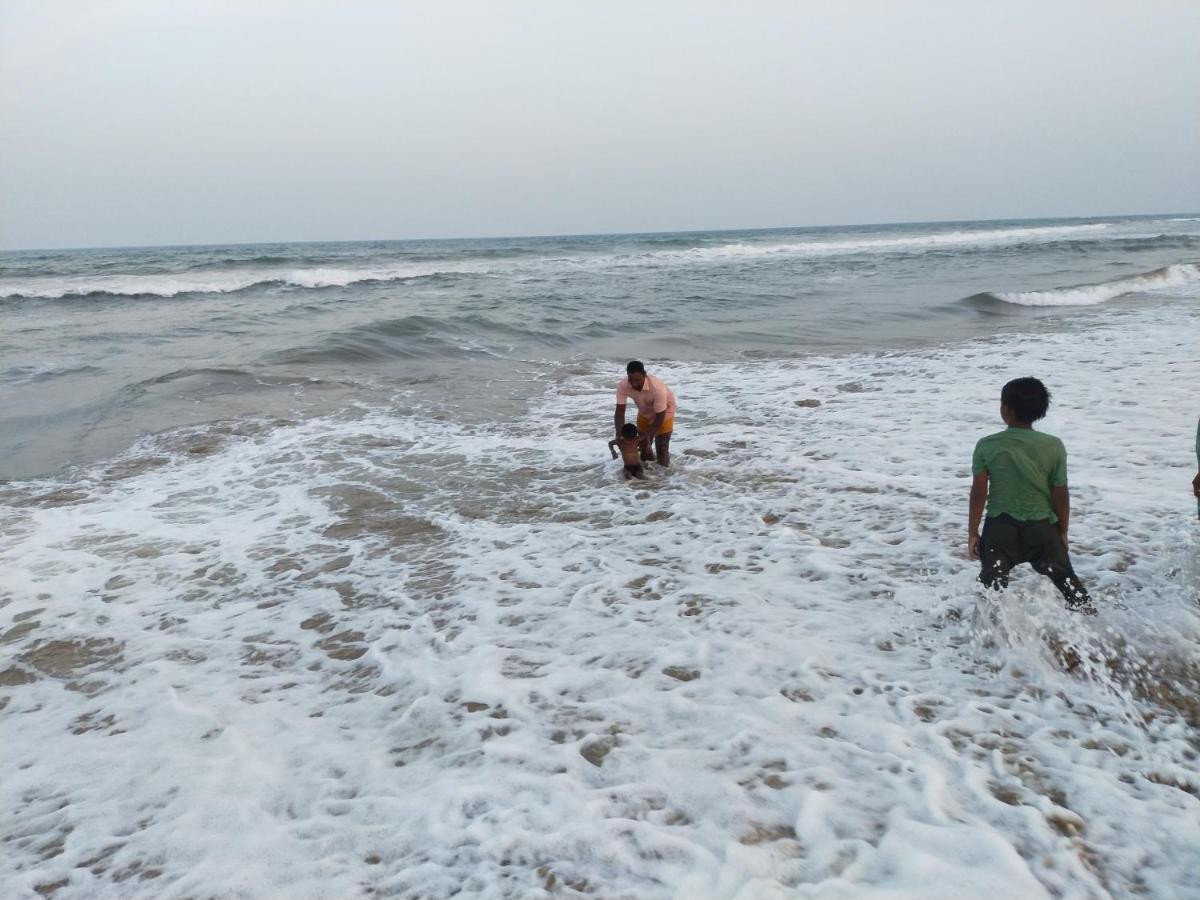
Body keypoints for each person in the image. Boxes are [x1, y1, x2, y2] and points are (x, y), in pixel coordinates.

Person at [967, 377, 1094, 612]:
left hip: (1000, 530)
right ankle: (1093, 638)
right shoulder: (1053, 445)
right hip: (1043, 529)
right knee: (1072, 589)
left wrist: (973, 531)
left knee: (989, 593)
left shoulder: (987, 445)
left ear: (1006, 409)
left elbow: (979, 492)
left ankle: (987, 642)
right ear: (1040, 411)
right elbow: (1060, 493)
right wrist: (1063, 530)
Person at [614, 360, 676, 467]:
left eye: (638, 380)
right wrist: (619, 435)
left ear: (645, 375)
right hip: (644, 413)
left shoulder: (657, 388)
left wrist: (649, 437)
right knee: (643, 448)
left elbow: (660, 415)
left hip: (664, 414)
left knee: (661, 448)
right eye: (631, 380)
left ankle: (664, 478)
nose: (634, 384)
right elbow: (620, 411)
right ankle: (648, 479)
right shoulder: (623, 385)